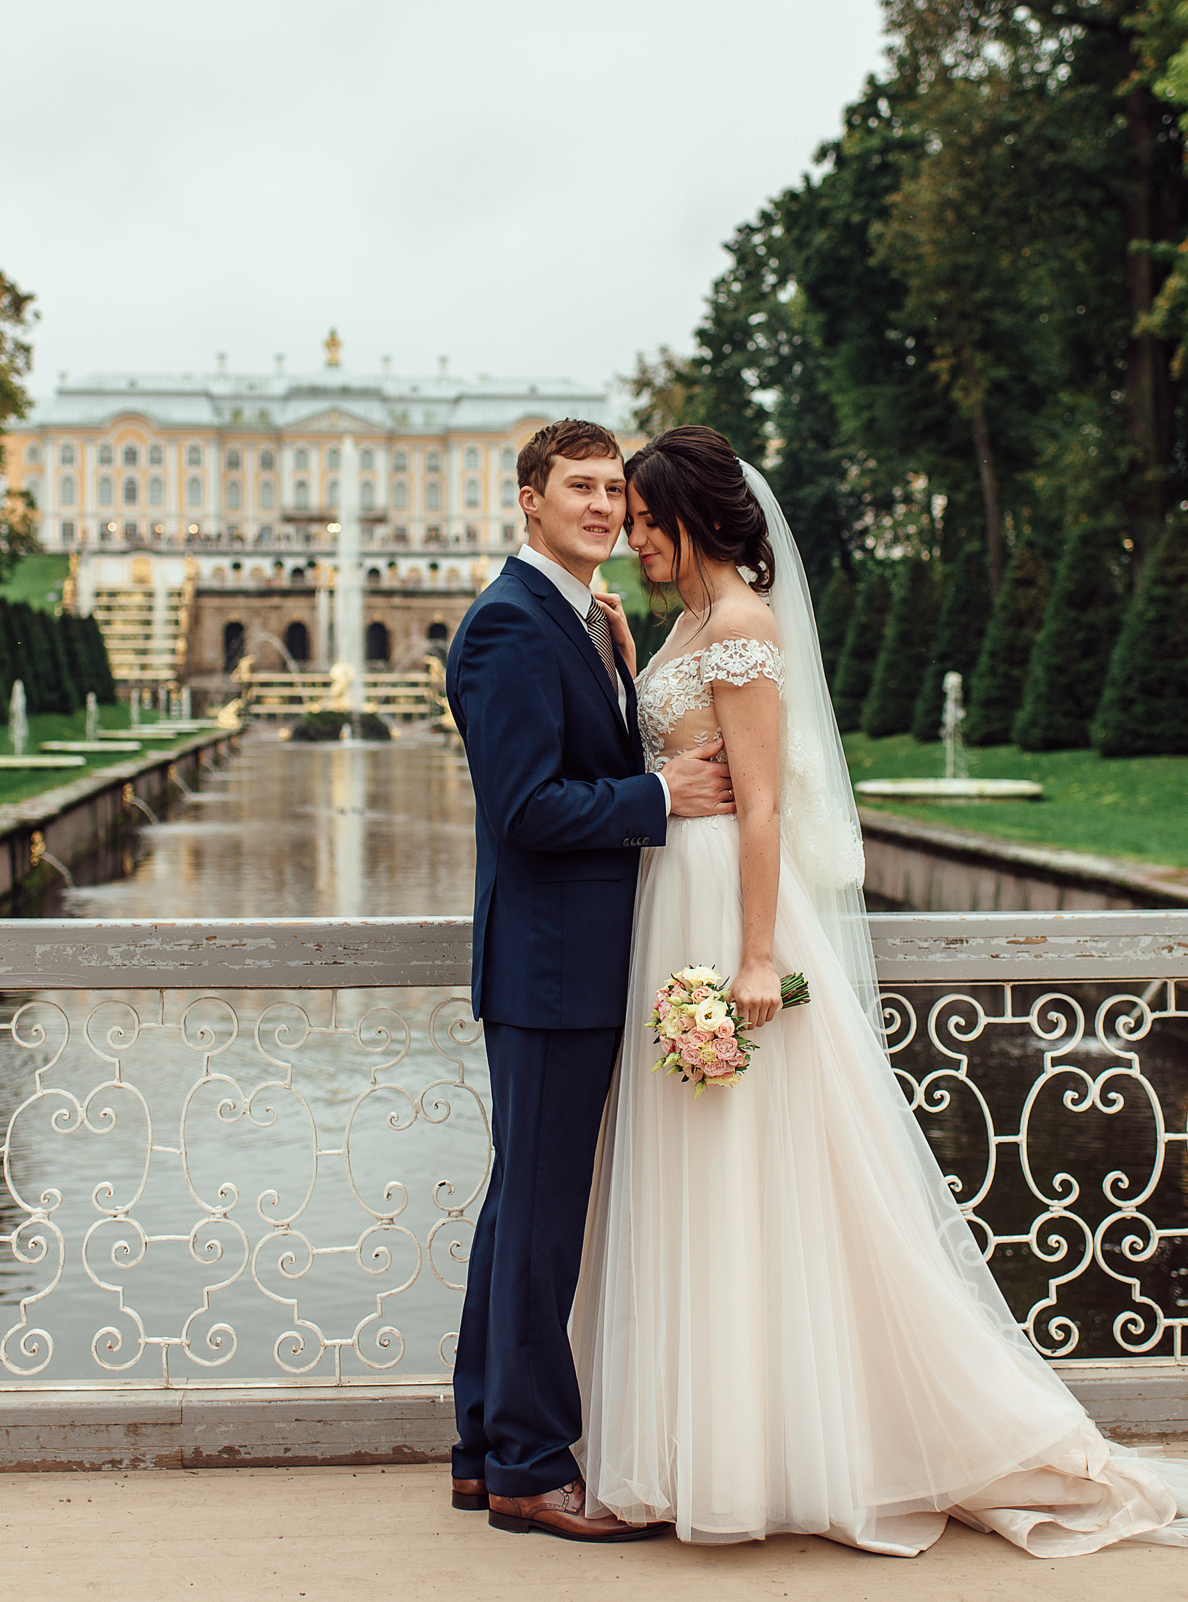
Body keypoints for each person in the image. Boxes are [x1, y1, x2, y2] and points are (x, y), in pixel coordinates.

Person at [569, 424, 1188, 1556]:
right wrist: (616, 640)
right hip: (674, 907)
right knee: (701, 1168)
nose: (633, 538)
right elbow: (669, 741)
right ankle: (711, 1443)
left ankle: (806, 1448)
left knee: (762, 1172)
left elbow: (762, 808)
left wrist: (757, 957)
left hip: (727, 916)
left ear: (692, 517)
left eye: (647, 520)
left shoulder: (742, 631)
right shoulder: (687, 625)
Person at [443, 417, 737, 1542]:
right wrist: (663, 798)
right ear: (529, 497)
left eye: (617, 489)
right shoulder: (513, 627)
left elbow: (577, 766)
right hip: (552, 968)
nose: (607, 506)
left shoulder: (571, 620)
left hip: (565, 964)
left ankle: (484, 1450)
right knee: (541, 1222)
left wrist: (623, 684)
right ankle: (527, 1465)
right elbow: (525, 812)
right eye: (581, 487)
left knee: (523, 1210)